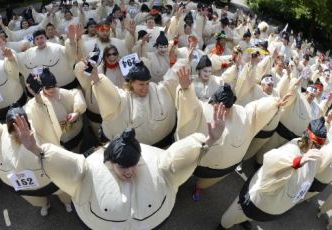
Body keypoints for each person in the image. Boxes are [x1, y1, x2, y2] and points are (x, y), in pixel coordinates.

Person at [9, 99, 226, 229]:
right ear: (111, 161)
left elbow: (178, 159)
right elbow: (67, 166)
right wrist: (36, 149)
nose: (129, 171)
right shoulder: (89, 169)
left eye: (133, 164)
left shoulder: (157, 163)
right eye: (123, 166)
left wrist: (209, 141)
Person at [175, 67, 292, 200]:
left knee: (205, 182)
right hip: (197, 159)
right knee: (183, 172)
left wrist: (275, 102)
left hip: (221, 168)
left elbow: (257, 111)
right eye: (219, 105)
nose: (222, 110)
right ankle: (178, 182)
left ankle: (199, 187)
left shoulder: (241, 115)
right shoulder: (202, 110)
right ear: (213, 101)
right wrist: (186, 89)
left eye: (226, 107)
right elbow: (189, 108)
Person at [0, 86, 73, 216]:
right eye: (13, 127)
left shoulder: (37, 128)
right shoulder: (2, 134)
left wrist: (38, 98)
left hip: (48, 179)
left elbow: (44, 117)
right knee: (35, 199)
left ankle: (66, 201)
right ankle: (45, 204)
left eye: (21, 124)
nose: (18, 131)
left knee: (62, 190)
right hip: (26, 187)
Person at [218, 118, 326, 229]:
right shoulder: (293, 148)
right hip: (261, 196)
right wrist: (297, 162)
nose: (318, 149)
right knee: (237, 211)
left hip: (277, 203)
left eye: (320, 146)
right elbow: (271, 159)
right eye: (316, 145)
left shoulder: (314, 156)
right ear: (308, 139)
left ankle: (244, 218)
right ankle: (223, 225)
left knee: (249, 215)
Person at [90, 61, 178, 148]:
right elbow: (110, 96)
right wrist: (98, 80)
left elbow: (170, 83)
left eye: (147, 83)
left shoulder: (156, 91)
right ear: (131, 83)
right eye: (141, 84)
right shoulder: (123, 99)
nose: (145, 88)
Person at [25, 68, 86, 152]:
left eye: (53, 86)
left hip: (73, 134)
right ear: (42, 88)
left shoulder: (62, 93)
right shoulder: (39, 101)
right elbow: (39, 108)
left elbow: (76, 93)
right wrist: (36, 94)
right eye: (48, 87)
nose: (52, 89)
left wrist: (77, 113)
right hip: (56, 139)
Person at [17, 27, 83, 90]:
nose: (39, 40)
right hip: (48, 90)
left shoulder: (57, 48)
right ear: (34, 41)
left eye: (41, 38)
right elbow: (30, 68)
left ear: (46, 38)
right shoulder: (29, 53)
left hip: (67, 85)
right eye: (37, 39)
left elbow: (70, 55)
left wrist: (71, 41)